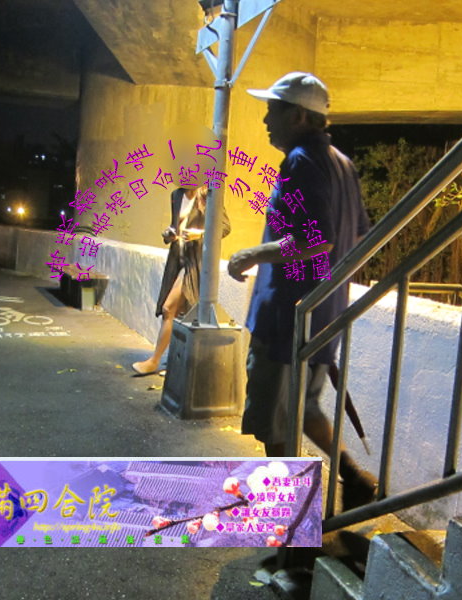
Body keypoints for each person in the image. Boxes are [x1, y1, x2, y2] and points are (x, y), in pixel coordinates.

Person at [227, 72, 376, 509]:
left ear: (297, 116)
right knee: (304, 409)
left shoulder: (301, 161)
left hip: (286, 316)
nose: (265, 120)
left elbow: (316, 239)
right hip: (323, 316)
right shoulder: (342, 164)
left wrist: (251, 254)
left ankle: (285, 516)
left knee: (274, 421)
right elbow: (360, 235)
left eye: (272, 110)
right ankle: (353, 477)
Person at [132, 184, 231, 375]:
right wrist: (168, 234)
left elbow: (225, 227)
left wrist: (200, 234)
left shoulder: (208, 194)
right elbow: (175, 226)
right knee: (179, 313)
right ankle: (175, 364)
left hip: (196, 262)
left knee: (169, 308)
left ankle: (154, 361)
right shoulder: (177, 195)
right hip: (177, 259)